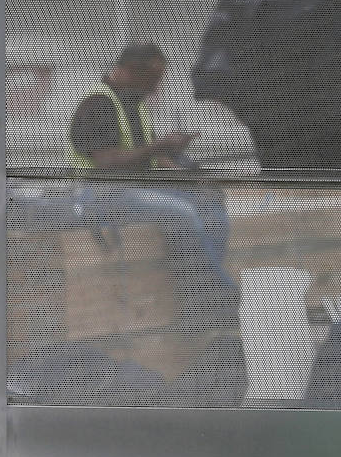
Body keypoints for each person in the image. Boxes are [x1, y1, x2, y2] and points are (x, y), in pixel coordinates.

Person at [67, 42, 237, 324]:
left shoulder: (136, 106)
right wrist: (157, 146)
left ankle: (200, 295)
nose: (154, 89)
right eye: (150, 81)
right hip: (102, 195)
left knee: (210, 203)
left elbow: (148, 158)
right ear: (127, 71)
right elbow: (107, 163)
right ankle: (217, 295)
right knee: (180, 213)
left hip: (138, 188)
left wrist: (179, 167)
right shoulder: (96, 104)